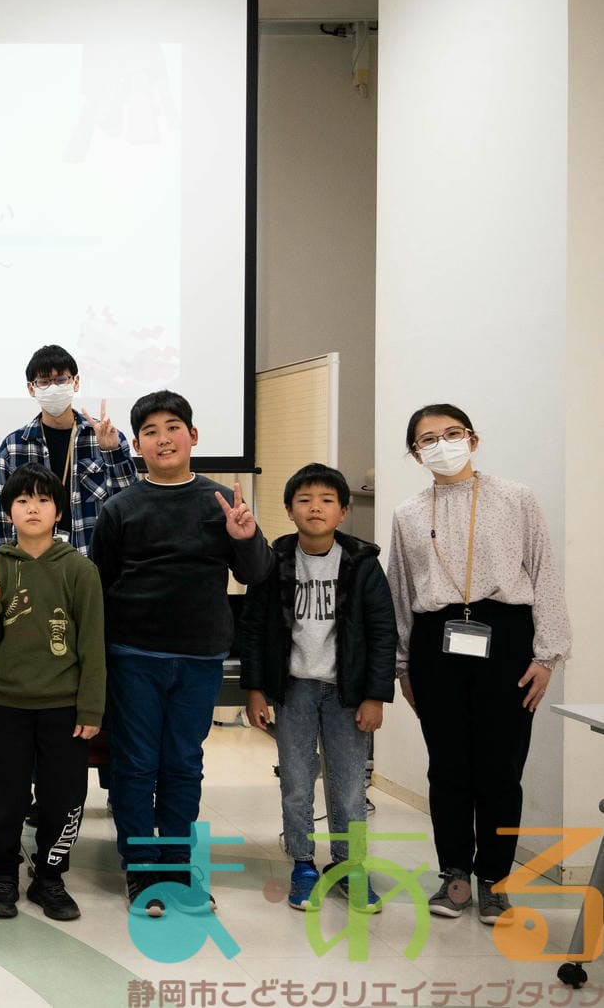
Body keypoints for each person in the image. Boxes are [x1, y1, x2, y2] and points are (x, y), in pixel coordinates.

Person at [88, 390, 273, 917]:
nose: (163, 439)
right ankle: (142, 868)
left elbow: (256, 574)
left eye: (173, 427)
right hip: (133, 655)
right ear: (137, 446)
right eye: (150, 432)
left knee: (184, 763)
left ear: (192, 436)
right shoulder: (119, 508)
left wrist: (246, 537)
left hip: (199, 655)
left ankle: (177, 864)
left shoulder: (221, 501)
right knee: (135, 764)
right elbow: (100, 587)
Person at [386, 404, 570, 926]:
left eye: (451, 433)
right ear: (416, 454)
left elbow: (544, 573)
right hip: (435, 641)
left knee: (501, 766)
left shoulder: (516, 497)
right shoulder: (408, 513)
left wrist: (547, 655)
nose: (441, 444)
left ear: (472, 439)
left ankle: (494, 879)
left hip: (506, 637)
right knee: (447, 766)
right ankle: (455, 875)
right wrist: (403, 665)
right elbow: (400, 588)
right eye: (427, 439)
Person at [236, 464, 396, 914]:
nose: (315, 508)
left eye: (327, 500)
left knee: (349, 787)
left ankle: (351, 866)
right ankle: (303, 864)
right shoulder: (274, 561)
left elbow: (383, 632)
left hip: (347, 693)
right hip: (295, 691)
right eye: (304, 500)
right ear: (289, 510)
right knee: (296, 781)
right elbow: (253, 627)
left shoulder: (363, 564)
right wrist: (255, 689)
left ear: (343, 511)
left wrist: (375, 695)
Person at [0, 463, 105, 923]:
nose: (33, 508)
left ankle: (50, 876)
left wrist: (91, 708)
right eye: (23, 501)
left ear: (59, 512)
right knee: (5, 796)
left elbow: (92, 646)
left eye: (43, 500)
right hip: (9, 703)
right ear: (9, 512)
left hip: (64, 708)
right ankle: (3, 873)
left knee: (64, 797)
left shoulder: (79, 570)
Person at [0, 344, 137, 557]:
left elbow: (129, 504)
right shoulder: (12, 447)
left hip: (94, 561)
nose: (53, 388)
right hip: (33, 564)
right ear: (31, 388)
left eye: (60, 380)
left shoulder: (104, 437)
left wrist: (112, 451)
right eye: (44, 382)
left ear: (75, 383)